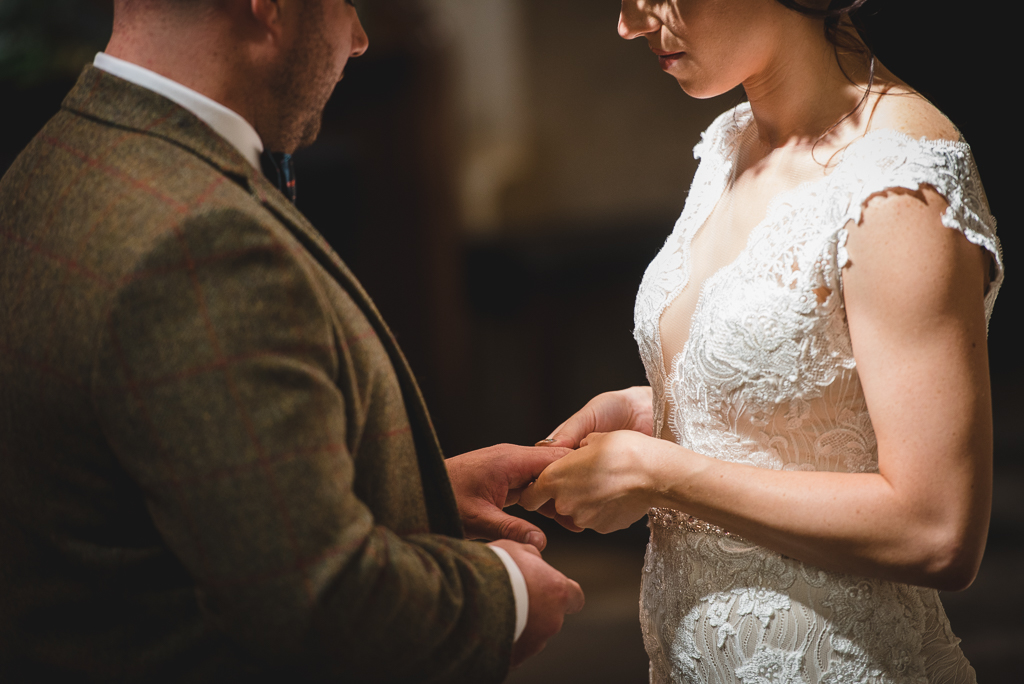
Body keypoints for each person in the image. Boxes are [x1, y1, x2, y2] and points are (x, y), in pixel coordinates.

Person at [0, 0, 584, 681]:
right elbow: (321, 602)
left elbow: (165, 506)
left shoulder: (54, 163)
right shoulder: (198, 242)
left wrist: (412, 491)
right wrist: (506, 595)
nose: (361, 40)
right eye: (348, 6)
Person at [520, 0, 1001, 682]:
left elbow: (936, 531)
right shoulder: (733, 139)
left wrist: (658, 474)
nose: (629, 23)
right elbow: (814, 402)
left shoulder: (896, 185)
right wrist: (654, 411)